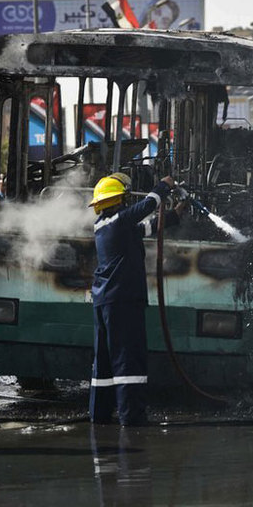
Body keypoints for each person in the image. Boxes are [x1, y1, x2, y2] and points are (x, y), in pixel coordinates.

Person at [89, 172, 184, 426]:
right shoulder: (119, 221)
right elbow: (149, 204)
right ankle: (132, 418)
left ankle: (99, 415)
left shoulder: (104, 226)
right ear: (119, 200)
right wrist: (164, 185)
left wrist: (174, 215)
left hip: (104, 300)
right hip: (123, 300)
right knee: (128, 358)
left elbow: (145, 228)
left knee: (105, 362)